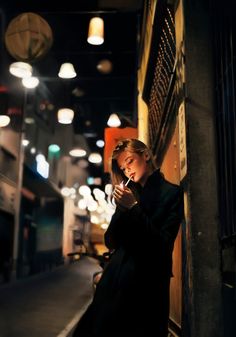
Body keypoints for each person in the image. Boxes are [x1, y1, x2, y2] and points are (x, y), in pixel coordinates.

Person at [72, 138, 184, 337]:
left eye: (130, 161)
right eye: (123, 168)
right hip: (115, 284)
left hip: (147, 290)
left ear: (146, 155)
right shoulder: (129, 193)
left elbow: (162, 246)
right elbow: (111, 240)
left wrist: (133, 208)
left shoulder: (171, 193)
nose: (127, 170)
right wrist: (122, 209)